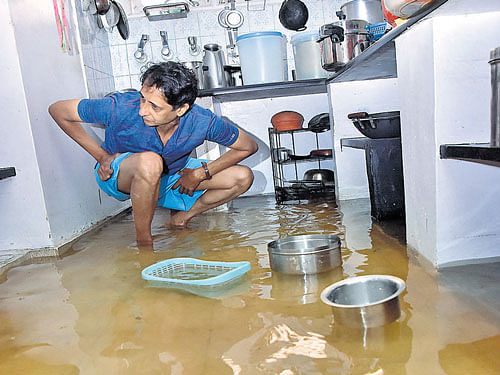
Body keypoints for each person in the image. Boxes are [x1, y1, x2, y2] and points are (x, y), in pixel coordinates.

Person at [49, 62, 258, 246]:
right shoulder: (120, 106)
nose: (142, 110)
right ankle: (144, 242)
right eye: (142, 99)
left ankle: (180, 219)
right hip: (117, 175)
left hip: (169, 176)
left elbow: (248, 146)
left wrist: (200, 174)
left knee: (242, 177)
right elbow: (58, 110)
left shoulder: (202, 121)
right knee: (150, 162)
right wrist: (101, 157)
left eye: (154, 106)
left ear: (181, 109)